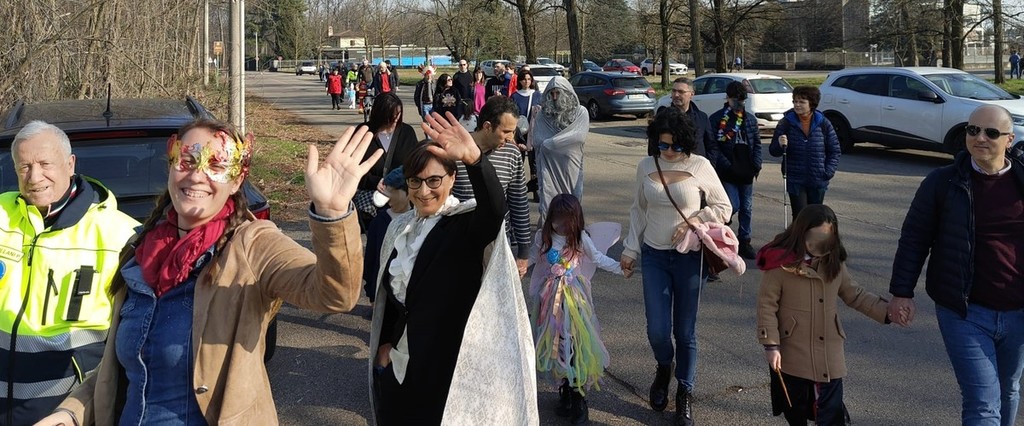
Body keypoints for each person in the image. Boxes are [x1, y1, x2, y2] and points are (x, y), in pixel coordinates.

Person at [36, 120, 379, 425]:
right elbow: (125, 370)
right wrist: (69, 414)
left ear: (236, 181)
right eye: (187, 160)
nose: (197, 174)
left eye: (217, 165)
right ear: (171, 165)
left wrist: (332, 214)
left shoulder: (252, 245)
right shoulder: (141, 251)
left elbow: (335, 293)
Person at [368, 112, 537, 424]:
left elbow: (494, 209)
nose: (423, 191)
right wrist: (384, 349)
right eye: (415, 181)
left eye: (434, 180)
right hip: (401, 368)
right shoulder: (399, 228)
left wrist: (475, 160)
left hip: (451, 371)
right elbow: (388, 299)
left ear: (452, 179)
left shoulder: (465, 225)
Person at [888, 104, 1024, 426]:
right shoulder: (942, 183)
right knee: (982, 403)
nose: (980, 138)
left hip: (1019, 312)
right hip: (964, 312)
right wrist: (900, 292)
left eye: (991, 132)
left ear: (1009, 139)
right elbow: (914, 239)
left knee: (1008, 389)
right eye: (972, 129)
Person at [0, 121, 138, 425]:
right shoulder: (1, 216)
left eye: (45, 164)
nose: (35, 177)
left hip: (68, 410)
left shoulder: (120, 235)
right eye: (24, 167)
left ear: (70, 163)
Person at [619, 107, 730, 426]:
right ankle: (664, 366)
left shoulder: (700, 166)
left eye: (675, 146)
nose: (668, 152)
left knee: (685, 331)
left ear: (686, 143)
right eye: (662, 145)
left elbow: (724, 207)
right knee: (656, 330)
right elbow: (638, 209)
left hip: (689, 258)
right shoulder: (645, 166)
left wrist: (697, 220)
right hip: (654, 256)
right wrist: (630, 248)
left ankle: (684, 391)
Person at [756, 204, 891, 425]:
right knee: (796, 412)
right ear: (801, 234)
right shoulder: (778, 263)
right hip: (793, 354)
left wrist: (887, 312)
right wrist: (771, 344)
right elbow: (766, 306)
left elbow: (854, 294)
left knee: (831, 413)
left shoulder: (834, 261)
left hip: (829, 351)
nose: (819, 249)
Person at [528, 193, 623, 424]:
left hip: (574, 299)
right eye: (556, 220)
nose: (560, 226)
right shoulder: (544, 236)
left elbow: (599, 258)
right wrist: (514, 265)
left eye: (565, 220)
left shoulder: (580, 238)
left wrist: (621, 268)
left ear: (576, 219)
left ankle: (579, 395)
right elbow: (530, 257)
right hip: (549, 301)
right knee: (556, 342)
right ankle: (565, 389)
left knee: (575, 343)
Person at [451, 96, 531, 278]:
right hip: (458, 240)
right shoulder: (457, 151)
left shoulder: (512, 154)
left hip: (498, 242)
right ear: (487, 126)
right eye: (506, 132)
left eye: (513, 131)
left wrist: (524, 251)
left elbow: (519, 202)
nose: (512, 138)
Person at [768, 86, 841, 221]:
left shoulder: (823, 123)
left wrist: (827, 172)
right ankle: (798, 242)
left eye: (802, 102)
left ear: (811, 104)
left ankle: (814, 242)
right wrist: (779, 143)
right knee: (800, 216)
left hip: (818, 178)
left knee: (816, 218)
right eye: (795, 101)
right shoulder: (786, 123)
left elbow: (834, 150)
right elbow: (773, 151)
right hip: (795, 179)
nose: (797, 105)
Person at [708, 81, 762, 259]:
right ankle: (721, 233)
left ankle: (745, 239)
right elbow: (714, 146)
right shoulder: (717, 119)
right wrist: (725, 165)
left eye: (742, 101)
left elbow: (757, 144)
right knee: (733, 205)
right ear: (728, 99)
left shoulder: (750, 119)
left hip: (746, 169)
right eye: (735, 100)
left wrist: (756, 164)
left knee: (747, 207)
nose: (739, 104)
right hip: (729, 170)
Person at [354, 92, 420, 231]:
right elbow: (353, 169)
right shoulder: (364, 132)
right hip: (372, 201)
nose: (396, 119)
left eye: (399, 114)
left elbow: (415, 165)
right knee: (376, 240)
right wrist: (375, 181)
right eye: (391, 115)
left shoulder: (406, 132)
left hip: (401, 199)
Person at [529, 76, 589, 226]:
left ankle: (573, 232)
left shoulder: (581, 112)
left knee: (572, 199)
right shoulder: (544, 114)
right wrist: (553, 144)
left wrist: (551, 143)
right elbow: (538, 140)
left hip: (571, 166)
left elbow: (578, 136)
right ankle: (549, 232)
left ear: (567, 93)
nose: (555, 98)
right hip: (549, 168)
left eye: (558, 93)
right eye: (551, 94)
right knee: (550, 200)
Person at [362, 167, 410, 310]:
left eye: (393, 191)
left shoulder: (417, 219)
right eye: (386, 191)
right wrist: (371, 293)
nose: (389, 196)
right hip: (383, 290)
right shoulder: (380, 222)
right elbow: (371, 258)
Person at [656, 77, 715, 157]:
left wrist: (708, 165)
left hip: (696, 167)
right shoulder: (663, 117)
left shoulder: (702, 118)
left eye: (681, 92)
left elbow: (711, 146)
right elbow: (653, 146)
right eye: (674, 91)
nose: (676, 95)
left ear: (692, 94)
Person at [510, 68, 540, 201]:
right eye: (524, 79)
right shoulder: (515, 96)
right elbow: (511, 114)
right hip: (519, 133)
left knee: (534, 162)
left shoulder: (537, 95)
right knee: (518, 161)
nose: (526, 82)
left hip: (534, 133)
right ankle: (518, 189)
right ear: (520, 81)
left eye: (529, 79)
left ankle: (536, 189)